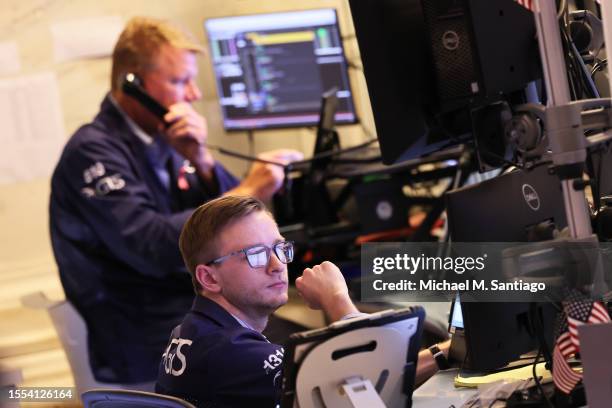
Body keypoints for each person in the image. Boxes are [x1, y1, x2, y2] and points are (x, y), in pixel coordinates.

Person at [49, 17, 301, 386]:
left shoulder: (164, 140)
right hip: (148, 341)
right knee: (297, 369)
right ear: (132, 85)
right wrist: (251, 189)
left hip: (197, 322)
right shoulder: (93, 152)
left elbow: (230, 226)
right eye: (179, 81)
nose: (194, 94)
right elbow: (151, 247)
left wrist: (203, 162)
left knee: (295, 355)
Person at [156, 195, 450, 407]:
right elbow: (368, 392)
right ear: (209, 278)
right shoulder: (229, 352)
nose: (276, 264)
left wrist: (446, 352)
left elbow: (356, 378)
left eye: (279, 248)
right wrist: (337, 299)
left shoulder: (199, 332)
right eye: (255, 255)